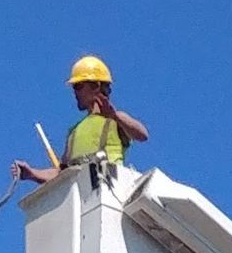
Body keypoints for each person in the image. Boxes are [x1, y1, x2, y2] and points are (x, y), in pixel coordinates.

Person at [12, 56, 149, 188]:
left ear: (96, 86)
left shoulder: (115, 119)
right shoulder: (74, 131)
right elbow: (61, 173)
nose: (75, 93)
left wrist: (114, 116)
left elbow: (142, 135)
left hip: (108, 191)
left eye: (78, 86)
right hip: (80, 199)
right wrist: (32, 174)